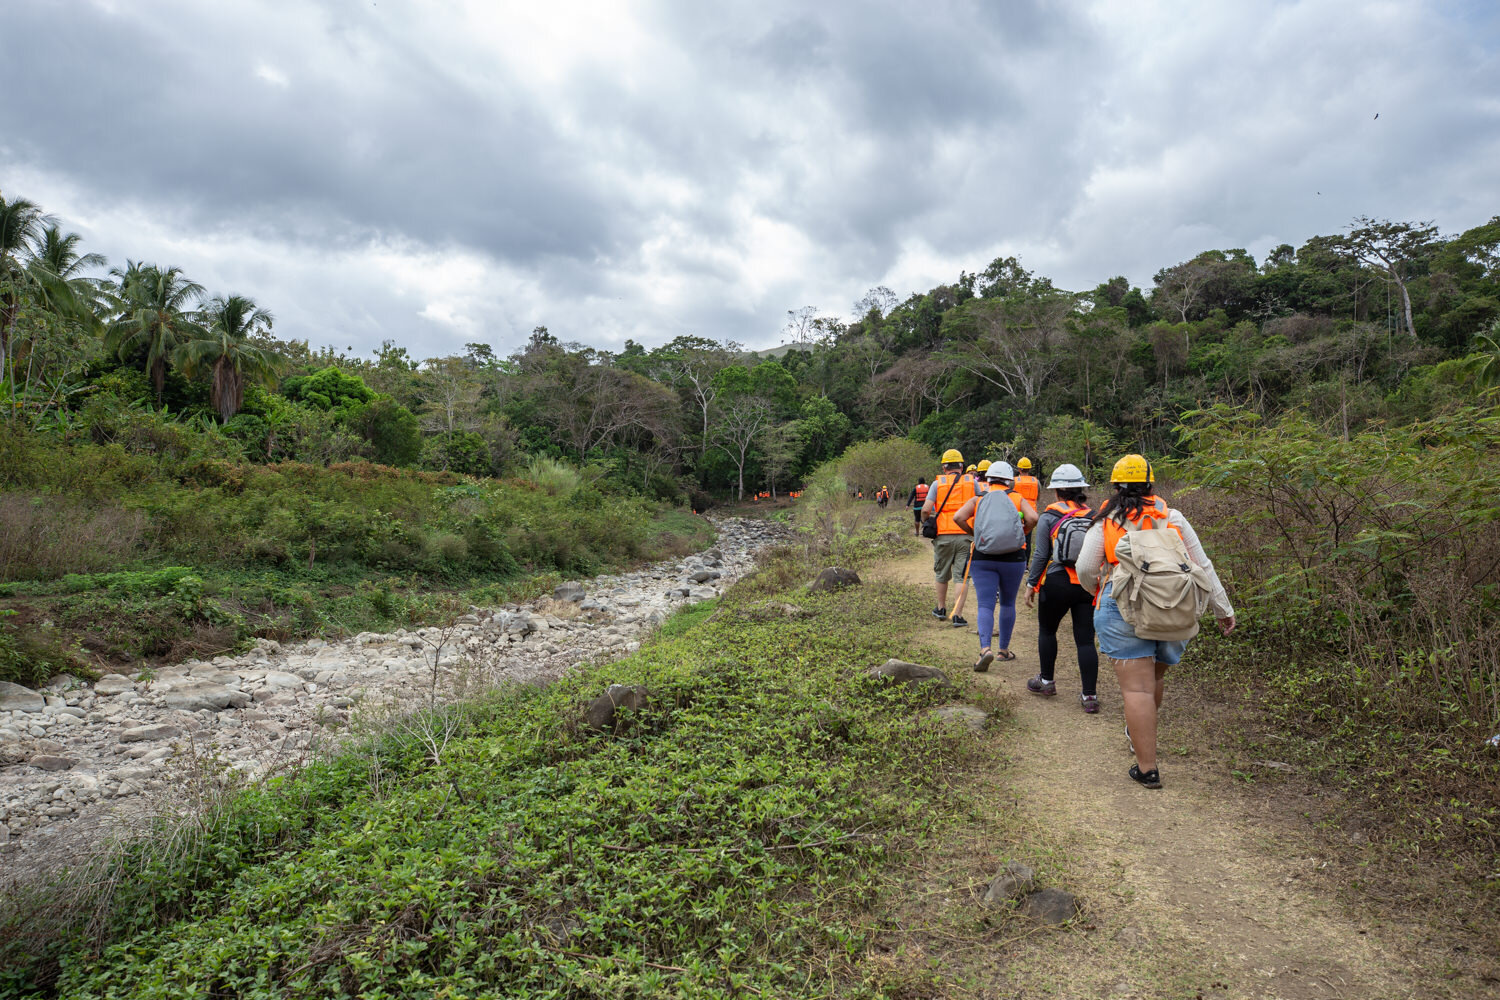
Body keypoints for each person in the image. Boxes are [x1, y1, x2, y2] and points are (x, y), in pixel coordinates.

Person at [1076, 455, 1236, 790]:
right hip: (1174, 607)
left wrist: (1102, 591)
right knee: (1152, 678)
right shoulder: (1172, 516)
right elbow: (1201, 565)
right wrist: (1223, 608)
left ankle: (1147, 768)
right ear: (1151, 483)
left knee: (1137, 688)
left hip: (1121, 605)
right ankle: (1139, 735)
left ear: (1115, 485)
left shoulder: (1105, 519)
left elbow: (1087, 568)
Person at [1023, 463, 1100, 712]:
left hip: (1056, 583)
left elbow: (1041, 555)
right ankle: (1089, 696)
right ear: (1081, 489)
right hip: (1087, 584)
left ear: (1056, 491)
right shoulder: (1094, 516)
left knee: (1047, 631)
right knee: (1086, 641)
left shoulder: (1048, 516)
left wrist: (1031, 584)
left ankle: (1046, 682)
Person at [953, 460, 1037, 668]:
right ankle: (1003, 651)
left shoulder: (978, 499)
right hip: (1014, 558)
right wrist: (1022, 534)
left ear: (988, 480)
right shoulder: (1016, 498)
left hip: (983, 557)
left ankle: (984, 649)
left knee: (985, 604)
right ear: (1010, 481)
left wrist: (975, 533)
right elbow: (1033, 517)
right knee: (1008, 603)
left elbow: (958, 517)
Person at [920, 449, 976, 623]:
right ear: (961, 466)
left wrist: (926, 522)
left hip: (943, 535)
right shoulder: (973, 483)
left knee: (942, 574)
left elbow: (925, 510)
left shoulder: (938, 484)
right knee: (962, 577)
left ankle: (941, 608)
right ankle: (957, 615)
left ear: (944, 467)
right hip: (967, 534)